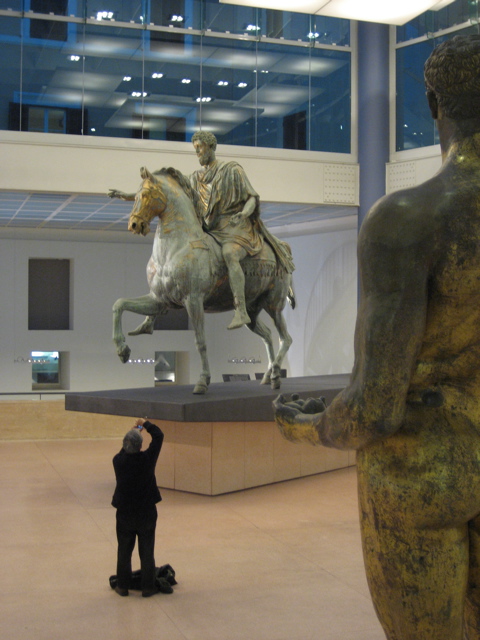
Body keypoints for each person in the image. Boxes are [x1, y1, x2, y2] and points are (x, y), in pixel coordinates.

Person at [274, 34, 480, 640]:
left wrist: (310, 426)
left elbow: (373, 410)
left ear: (435, 103)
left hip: (425, 471)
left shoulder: (409, 218)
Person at [111, 418, 164, 597]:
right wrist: (145, 424)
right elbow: (159, 436)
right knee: (147, 550)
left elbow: (124, 449)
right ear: (141, 446)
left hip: (125, 513)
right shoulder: (147, 460)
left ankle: (123, 586)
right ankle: (148, 587)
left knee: (124, 551)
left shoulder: (118, 461)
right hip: (146, 512)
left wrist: (135, 431)